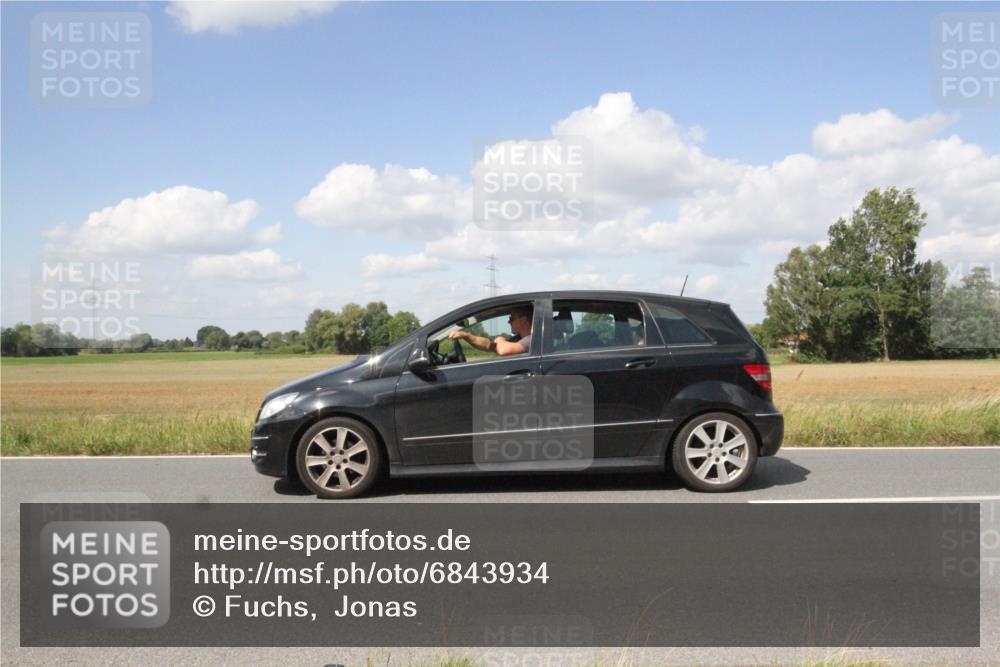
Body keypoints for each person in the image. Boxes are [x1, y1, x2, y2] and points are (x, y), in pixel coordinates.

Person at [448, 305, 532, 356]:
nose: (508, 321)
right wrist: (467, 336)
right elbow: (490, 345)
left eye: (512, 318)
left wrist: (500, 340)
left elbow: (503, 350)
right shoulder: (519, 340)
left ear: (524, 320)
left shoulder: (530, 339)